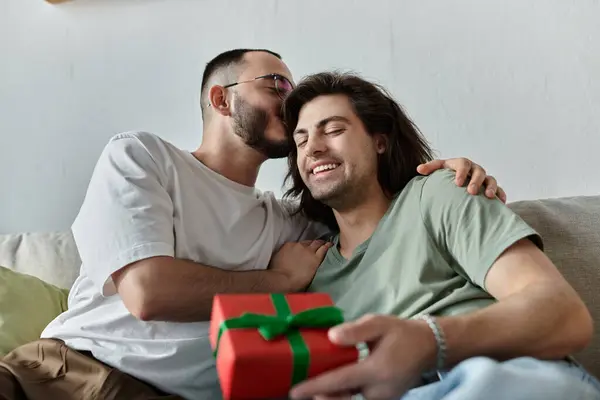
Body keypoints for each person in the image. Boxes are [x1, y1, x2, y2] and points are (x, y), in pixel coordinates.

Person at [0, 49, 504, 400]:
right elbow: (148, 294)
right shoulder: (143, 156)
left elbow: (376, 216)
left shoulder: (289, 221)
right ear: (221, 100)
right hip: (68, 372)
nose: (290, 100)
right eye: (275, 85)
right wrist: (277, 282)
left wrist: (449, 174)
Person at [279, 71, 600, 400]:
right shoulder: (315, 281)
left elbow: (564, 315)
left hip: (501, 375)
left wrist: (429, 339)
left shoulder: (437, 193)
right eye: (301, 140)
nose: (313, 149)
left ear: (380, 141)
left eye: (333, 130)